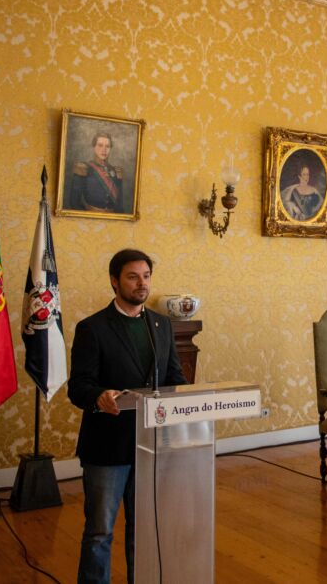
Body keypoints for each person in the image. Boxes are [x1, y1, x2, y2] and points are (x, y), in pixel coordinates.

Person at [68, 249, 188, 584]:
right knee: (100, 532)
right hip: (107, 446)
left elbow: (174, 379)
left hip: (151, 445)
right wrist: (98, 396)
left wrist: (191, 403)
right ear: (114, 281)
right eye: (133, 277)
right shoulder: (92, 328)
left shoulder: (161, 325)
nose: (142, 284)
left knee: (144, 529)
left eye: (146, 276)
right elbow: (78, 386)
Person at [70, 133, 124, 213]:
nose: (104, 150)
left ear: (110, 149)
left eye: (107, 146)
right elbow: (74, 202)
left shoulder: (116, 171)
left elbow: (119, 204)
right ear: (94, 147)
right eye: (100, 145)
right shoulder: (83, 168)